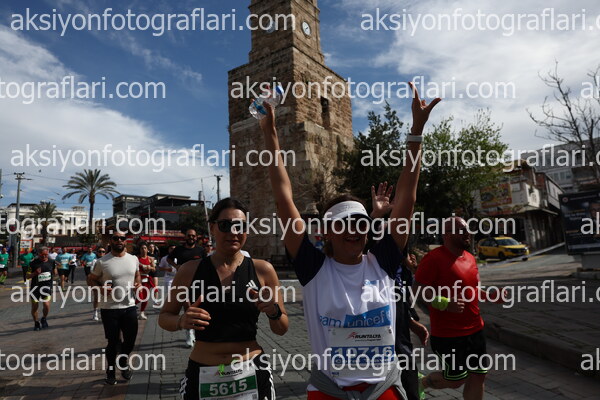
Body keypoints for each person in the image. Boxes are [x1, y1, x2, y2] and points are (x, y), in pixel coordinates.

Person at [258, 84, 440, 399]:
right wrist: (269, 132)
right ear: (326, 232)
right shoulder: (314, 268)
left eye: (359, 222)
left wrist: (416, 132)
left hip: (383, 389)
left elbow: (407, 198)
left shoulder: (383, 261)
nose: (352, 230)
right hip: (330, 391)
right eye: (342, 224)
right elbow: (283, 196)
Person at [159, 198, 289, 400]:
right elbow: (164, 317)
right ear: (212, 228)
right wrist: (181, 321)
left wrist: (274, 312)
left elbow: (281, 328)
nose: (233, 232)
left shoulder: (263, 270)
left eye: (240, 226)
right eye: (225, 225)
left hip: (251, 370)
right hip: (204, 371)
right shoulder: (189, 271)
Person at [415, 217, 491, 400]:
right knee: (456, 379)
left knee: (478, 375)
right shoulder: (433, 259)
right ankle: (421, 382)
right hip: (448, 334)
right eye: (461, 230)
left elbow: (473, 289)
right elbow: (417, 289)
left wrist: (490, 295)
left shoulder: (470, 257)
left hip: (475, 329)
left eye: (468, 229)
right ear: (446, 235)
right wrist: (444, 303)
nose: (468, 233)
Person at [87, 230, 141, 385]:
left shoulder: (133, 259)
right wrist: (100, 289)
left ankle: (123, 362)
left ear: (126, 241)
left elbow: (137, 275)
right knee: (113, 342)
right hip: (109, 308)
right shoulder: (102, 262)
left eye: (122, 238)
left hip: (129, 306)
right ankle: (110, 371)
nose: (119, 240)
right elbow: (91, 279)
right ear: (110, 241)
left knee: (130, 341)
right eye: (116, 238)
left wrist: (138, 283)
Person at [167, 229, 207, 347]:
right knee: (187, 306)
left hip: (198, 283)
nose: (191, 237)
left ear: (196, 237)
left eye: (193, 236)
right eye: (189, 235)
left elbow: (206, 262)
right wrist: (176, 266)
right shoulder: (179, 250)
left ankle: (197, 331)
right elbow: (169, 259)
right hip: (183, 283)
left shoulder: (200, 250)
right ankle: (189, 332)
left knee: (198, 306)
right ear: (185, 237)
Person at [28, 247, 57, 331]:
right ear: (39, 254)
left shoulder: (52, 262)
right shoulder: (33, 263)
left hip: (46, 287)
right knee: (34, 307)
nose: (44, 256)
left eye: (46, 254)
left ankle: (44, 318)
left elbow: (54, 272)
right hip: (35, 288)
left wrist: (55, 273)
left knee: (46, 306)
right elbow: (27, 276)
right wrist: (35, 273)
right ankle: (36, 322)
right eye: (42, 255)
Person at [136, 243, 156, 320]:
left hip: (146, 279)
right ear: (139, 249)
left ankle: (142, 312)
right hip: (138, 279)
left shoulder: (150, 259)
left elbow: (154, 269)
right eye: (142, 248)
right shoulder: (136, 258)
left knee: (145, 297)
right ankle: (130, 306)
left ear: (147, 249)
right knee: (140, 297)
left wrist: (149, 267)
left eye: (145, 248)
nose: (143, 250)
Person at [81, 247, 100, 320]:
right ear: (97, 253)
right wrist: (84, 263)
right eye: (100, 251)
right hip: (94, 276)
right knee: (96, 296)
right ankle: (95, 312)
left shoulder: (107, 260)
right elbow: (92, 271)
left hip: (105, 281)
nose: (101, 253)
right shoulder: (94, 260)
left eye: (103, 251)